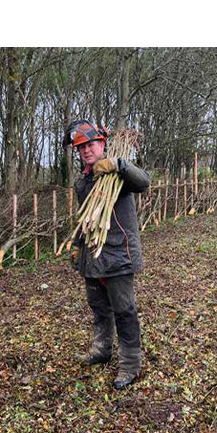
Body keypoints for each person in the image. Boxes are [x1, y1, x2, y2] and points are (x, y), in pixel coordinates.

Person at [64, 120, 151, 389]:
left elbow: (144, 182)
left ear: (103, 144)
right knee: (99, 306)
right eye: (81, 148)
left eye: (91, 145)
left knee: (124, 310)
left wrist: (118, 166)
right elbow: (86, 217)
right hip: (93, 255)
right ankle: (102, 350)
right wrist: (78, 244)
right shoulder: (83, 180)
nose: (87, 151)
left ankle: (130, 364)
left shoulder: (118, 174)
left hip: (118, 254)